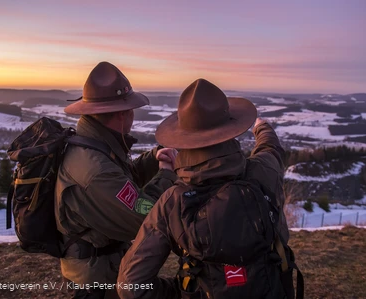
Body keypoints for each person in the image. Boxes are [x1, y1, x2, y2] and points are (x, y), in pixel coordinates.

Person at [117, 78, 292, 299]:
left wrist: (178, 291)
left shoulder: (172, 202)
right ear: (230, 128)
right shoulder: (262, 172)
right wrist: (262, 127)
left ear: (185, 137)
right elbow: (271, 149)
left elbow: (130, 285)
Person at [55, 61, 178, 299]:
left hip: (101, 268)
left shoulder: (93, 145)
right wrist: (166, 174)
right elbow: (144, 216)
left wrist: (153, 159)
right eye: (131, 110)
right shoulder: (96, 170)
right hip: (100, 281)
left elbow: (123, 182)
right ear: (123, 114)